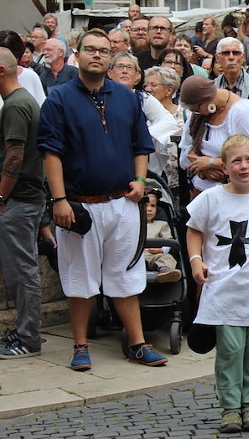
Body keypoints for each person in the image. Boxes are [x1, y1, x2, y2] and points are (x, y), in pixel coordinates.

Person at [37, 29, 168, 371]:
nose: (97, 55)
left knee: (125, 276)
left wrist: (140, 181)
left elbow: (142, 145)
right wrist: (59, 199)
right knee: (79, 280)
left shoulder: (127, 98)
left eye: (103, 51)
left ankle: (137, 344)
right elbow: (51, 153)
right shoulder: (59, 99)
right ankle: (80, 345)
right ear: (77, 55)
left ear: (110, 58)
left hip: (122, 203)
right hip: (79, 204)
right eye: (90, 50)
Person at [186, 135, 249, 433]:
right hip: (224, 289)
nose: (243, 166)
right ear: (225, 165)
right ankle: (231, 406)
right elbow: (194, 230)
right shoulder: (210, 198)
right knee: (230, 348)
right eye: (236, 161)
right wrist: (196, 259)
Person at [0, 48, 45, 359]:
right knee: (20, 269)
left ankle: (28, 338)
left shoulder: (16, 105)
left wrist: (1, 196)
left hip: (20, 199)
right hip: (23, 198)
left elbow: (14, 156)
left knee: (22, 270)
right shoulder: (20, 101)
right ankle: (25, 331)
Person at [179, 75, 249, 196]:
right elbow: (186, 149)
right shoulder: (197, 115)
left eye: (197, 109)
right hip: (203, 191)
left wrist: (211, 162)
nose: (195, 113)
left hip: (236, 193)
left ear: (206, 101)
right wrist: (203, 170)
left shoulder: (241, 112)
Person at [107, 52, 179, 183]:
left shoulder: (143, 99)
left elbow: (168, 121)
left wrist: (142, 136)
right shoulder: (101, 97)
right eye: (120, 67)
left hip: (138, 161)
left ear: (137, 76)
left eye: (129, 68)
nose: (124, 71)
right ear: (110, 73)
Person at [143, 190, 181, 283]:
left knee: (167, 257)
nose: (149, 209)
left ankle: (165, 271)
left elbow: (169, 240)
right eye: (145, 206)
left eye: (153, 206)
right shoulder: (134, 224)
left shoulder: (161, 225)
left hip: (154, 255)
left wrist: (161, 250)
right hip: (136, 256)